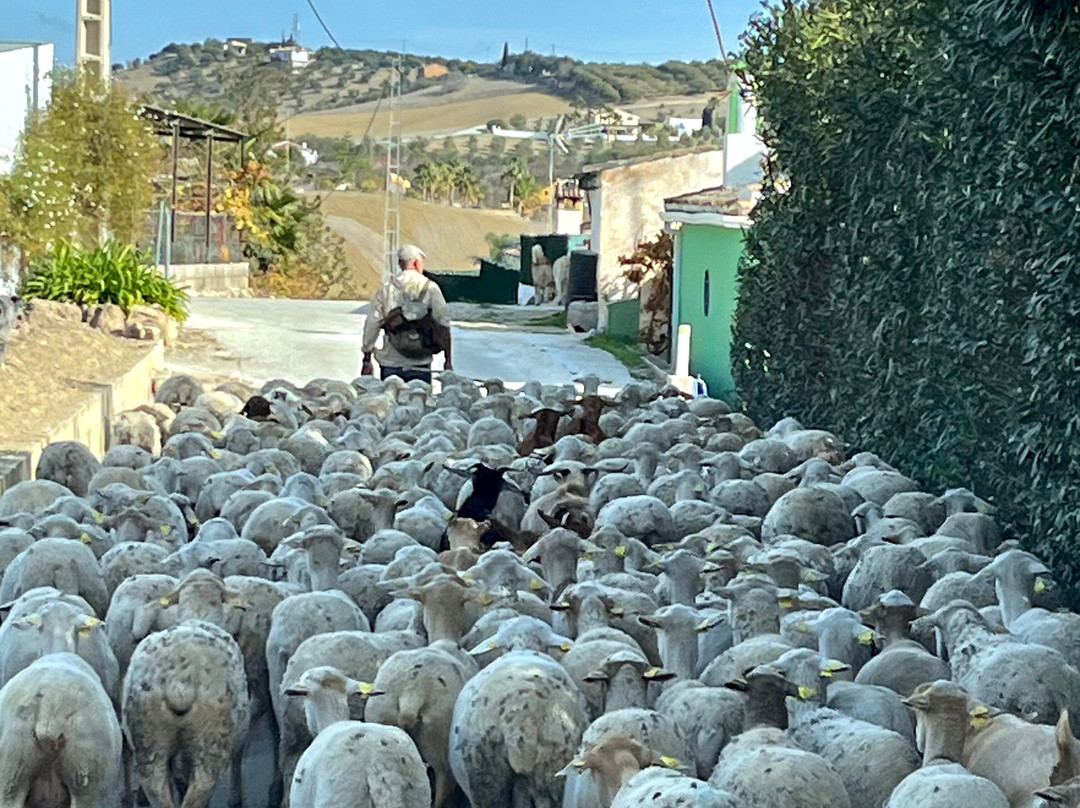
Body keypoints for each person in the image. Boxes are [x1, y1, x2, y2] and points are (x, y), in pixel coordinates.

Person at [361, 244, 453, 384]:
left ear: (400, 264)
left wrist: (367, 357)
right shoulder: (431, 288)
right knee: (420, 402)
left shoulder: (387, 289)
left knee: (390, 402)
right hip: (421, 363)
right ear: (416, 262)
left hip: (391, 363)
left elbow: (372, 323)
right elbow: (443, 322)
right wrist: (448, 360)